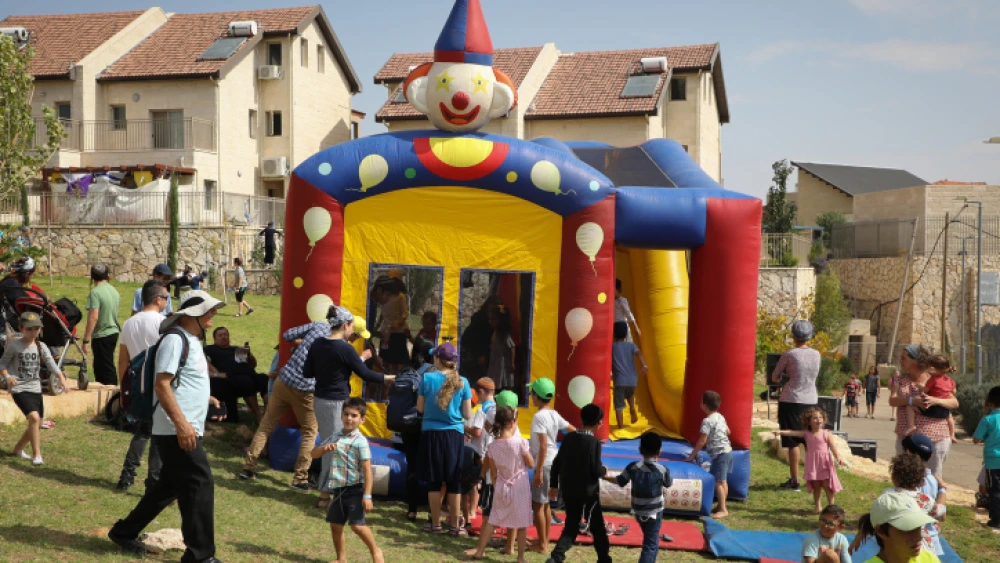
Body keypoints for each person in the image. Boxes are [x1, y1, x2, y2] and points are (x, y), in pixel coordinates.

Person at [107, 290, 226, 561]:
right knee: (200, 483)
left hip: (181, 428)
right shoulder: (174, 339)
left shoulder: (190, 340)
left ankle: (124, 532)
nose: (213, 314)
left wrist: (206, 399)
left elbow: (183, 381)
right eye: (208, 310)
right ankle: (200, 555)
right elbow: (161, 385)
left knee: (167, 487)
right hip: (176, 430)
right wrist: (182, 425)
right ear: (193, 314)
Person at [240, 311, 338, 489]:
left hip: (284, 381)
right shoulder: (339, 345)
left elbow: (287, 335)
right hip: (306, 390)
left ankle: (248, 467)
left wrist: (303, 342)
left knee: (266, 425)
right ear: (345, 326)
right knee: (309, 432)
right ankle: (300, 478)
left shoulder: (318, 326)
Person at [305, 306, 390, 508]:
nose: (352, 330)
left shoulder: (318, 343)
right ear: (345, 325)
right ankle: (325, 495)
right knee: (335, 448)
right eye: (351, 326)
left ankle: (328, 494)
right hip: (336, 403)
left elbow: (308, 372)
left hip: (320, 400)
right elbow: (366, 374)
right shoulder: (345, 348)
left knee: (331, 445)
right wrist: (389, 378)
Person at [310, 397, 383, 563]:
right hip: (338, 489)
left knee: (357, 526)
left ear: (362, 419)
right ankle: (341, 559)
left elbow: (367, 470)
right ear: (341, 416)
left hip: (355, 490)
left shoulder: (360, 442)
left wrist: (367, 496)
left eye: (354, 415)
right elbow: (313, 454)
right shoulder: (335, 436)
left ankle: (375, 550)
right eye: (346, 414)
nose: (349, 418)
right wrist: (324, 449)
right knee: (335, 525)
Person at [115, 280, 168, 491]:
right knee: (157, 434)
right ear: (158, 299)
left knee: (143, 430)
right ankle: (153, 482)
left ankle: (127, 475)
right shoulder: (163, 323)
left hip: (138, 383)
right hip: (158, 383)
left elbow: (123, 360)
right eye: (166, 298)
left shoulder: (129, 323)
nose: (167, 302)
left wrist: (124, 388)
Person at [416, 343, 473, 536]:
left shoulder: (427, 378)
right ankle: (455, 526)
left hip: (431, 433)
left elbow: (420, 409)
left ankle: (435, 524)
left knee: (434, 480)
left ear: (438, 359)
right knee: (454, 480)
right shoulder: (463, 381)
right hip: (454, 435)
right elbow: (468, 414)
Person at [466, 405, 533, 562]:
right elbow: (530, 464)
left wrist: (496, 485)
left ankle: (479, 551)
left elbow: (493, 472)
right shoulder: (521, 443)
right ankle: (520, 557)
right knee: (522, 523)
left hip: (502, 485)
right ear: (512, 422)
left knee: (493, 520)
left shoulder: (493, 446)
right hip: (520, 486)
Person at [1, 311, 68, 466]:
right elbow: (2, 364)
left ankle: (18, 449)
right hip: (19, 388)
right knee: (34, 418)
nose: (33, 332)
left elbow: (51, 364)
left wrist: (62, 379)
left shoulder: (41, 346)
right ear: (21, 328)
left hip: (35, 388)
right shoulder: (14, 346)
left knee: (37, 422)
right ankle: (37, 455)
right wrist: (7, 377)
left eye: (36, 329)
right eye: (29, 329)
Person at [547, 403, 610, 563]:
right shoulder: (593, 442)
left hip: (569, 490)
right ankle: (604, 558)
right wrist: (604, 470)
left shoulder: (569, 438)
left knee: (571, 525)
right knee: (597, 527)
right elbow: (596, 469)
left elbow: (557, 463)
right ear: (598, 422)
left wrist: (554, 484)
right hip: (588, 493)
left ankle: (556, 557)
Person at [888, 345, 959, 478]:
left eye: (904, 358)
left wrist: (935, 400)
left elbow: (954, 402)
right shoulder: (900, 380)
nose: (900, 361)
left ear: (915, 360)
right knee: (906, 478)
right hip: (908, 439)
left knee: (933, 478)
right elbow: (892, 401)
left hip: (936, 437)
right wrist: (911, 400)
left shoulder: (936, 379)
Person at [606, 430, 672, 563]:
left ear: (640, 449)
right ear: (660, 451)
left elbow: (620, 481)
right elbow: (668, 483)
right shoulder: (662, 469)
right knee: (651, 545)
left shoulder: (633, 467)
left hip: (638, 511)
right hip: (654, 512)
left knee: (650, 539)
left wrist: (604, 476)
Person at [772, 320, 821, 491]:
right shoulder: (816, 354)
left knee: (792, 441)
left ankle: (794, 481)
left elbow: (775, 376)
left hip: (791, 399)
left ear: (794, 336)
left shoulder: (789, 354)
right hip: (811, 399)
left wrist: (783, 377)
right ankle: (815, 478)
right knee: (810, 441)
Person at [529, 377, 576, 554]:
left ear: (537, 396)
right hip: (554, 461)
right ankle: (545, 541)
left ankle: (542, 545)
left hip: (545, 463)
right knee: (546, 504)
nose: (531, 396)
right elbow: (572, 429)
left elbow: (542, 446)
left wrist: (538, 470)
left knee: (538, 505)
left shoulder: (539, 416)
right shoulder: (554, 414)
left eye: (532, 393)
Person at [773, 407, 845, 513]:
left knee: (827, 486)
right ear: (809, 421)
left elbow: (833, 447)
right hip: (813, 465)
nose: (818, 420)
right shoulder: (806, 434)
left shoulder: (826, 433)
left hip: (824, 464)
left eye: (820, 417)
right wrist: (780, 432)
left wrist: (837, 457)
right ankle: (818, 506)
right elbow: (792, 432)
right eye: (815, 418)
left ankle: (831, 507)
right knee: (816, 486)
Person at [879, 453, 946, 555]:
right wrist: (942, 489)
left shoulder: (888, 494)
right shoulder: (924, 499)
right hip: (922, 548)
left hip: (896, 545)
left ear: (894, 478)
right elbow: (942, 515)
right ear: (921, 480)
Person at [850, 492, 941, 563]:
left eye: (918, 527)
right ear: (881, 531)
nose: (918, 536)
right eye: (907, 528)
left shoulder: (929, 559)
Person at [204, 327, 269, 423]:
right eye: (220, 335)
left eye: (225, 335)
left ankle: (268, 413)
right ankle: (259, 415)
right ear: (215, 338)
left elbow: (253, 365)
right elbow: (205, 363)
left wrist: (249, 355)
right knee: (245, 382)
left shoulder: (237, 349)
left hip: (248, 374)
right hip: (228, 377)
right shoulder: (210, 349)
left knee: (265, 379)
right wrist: (217, 373)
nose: (223, 337)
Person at [684, 390, 733, 518]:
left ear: (704, 405)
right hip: (728, 451)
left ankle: (723, 509)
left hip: (720, 454)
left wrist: (691, 456)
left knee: (718, 482)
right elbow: (728, 431)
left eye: (701, 401)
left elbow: (702, 441)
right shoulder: (720, 417)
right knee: (723, 481)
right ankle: (721, 505)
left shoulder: (707, 421)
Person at [464, 377, 497, 530]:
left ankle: (472, 510)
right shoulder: (497, 407)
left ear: (482, 392)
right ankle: (477, 508)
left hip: (479, 452)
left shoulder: (482, 409)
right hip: (492, 451)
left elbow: (476, 432)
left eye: (478, 394)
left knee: (474, 483)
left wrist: (462, 427)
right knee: (483, 483)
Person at [902, 355, 957, 442]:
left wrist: (920, 387)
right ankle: (952, 434)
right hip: (944, 410)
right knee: (950, 417)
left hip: (931, 408)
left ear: (933, 369)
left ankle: (911, 425)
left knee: (910, 407)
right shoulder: (950, 380)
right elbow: (953, 391)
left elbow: (925, 390)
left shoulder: (933, 379)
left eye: (928, 368)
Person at [83, 263, 121, 386]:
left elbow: (93, 317)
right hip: (113, 332)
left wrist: (86, 340)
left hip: (102, 334)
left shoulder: (95, 293)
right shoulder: (114, 290)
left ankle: (111, 393)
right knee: (107, 364)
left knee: (104, 369)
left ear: (92, 276)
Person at [900, 434, 948, 524]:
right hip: (930, 527)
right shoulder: (933, 480)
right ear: (931, 455)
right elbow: (940, 514)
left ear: (908, 452)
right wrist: (942, 489)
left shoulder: (906, 478)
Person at [611, 321, 648, 430]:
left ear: (614, 333)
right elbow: (639, 353)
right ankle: (632, 408)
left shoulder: (612, 347)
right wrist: (644, 365)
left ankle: (620, 427)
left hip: (620, 380)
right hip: (633, 380)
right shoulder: (631, 345)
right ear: (627, 334)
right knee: (630, 394)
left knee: (619, 405)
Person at [973, 385, 1000, 530]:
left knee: (995, 490)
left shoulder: (988, 419)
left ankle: (996, 520)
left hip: (993, 461)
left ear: (990, 402)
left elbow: (976, 439)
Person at [372, 274, 408, 375]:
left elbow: (405, 314)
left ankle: (396, 378)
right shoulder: (383, 296)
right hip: (385, 332)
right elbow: (382, 315)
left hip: (397, 333)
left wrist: (398, 323)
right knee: (385, 358)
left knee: (396, 360)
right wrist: (376, 327)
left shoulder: (400, 296)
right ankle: (386, 378)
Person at [0, 258, 37, 329]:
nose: (32, 276)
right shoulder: (11, 283)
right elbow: (24, 303)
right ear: (27, 274)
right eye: (32, 274)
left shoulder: (10, 280)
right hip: (4, 324)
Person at [486, 305, 516, 391]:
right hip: (495, 361)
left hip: (503, 362)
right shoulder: (495, 333)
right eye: (489, 319)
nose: (490, 322)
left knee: (505, 378)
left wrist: (512, 363)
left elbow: (512, 347)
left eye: (493, 319)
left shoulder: (504, 334)